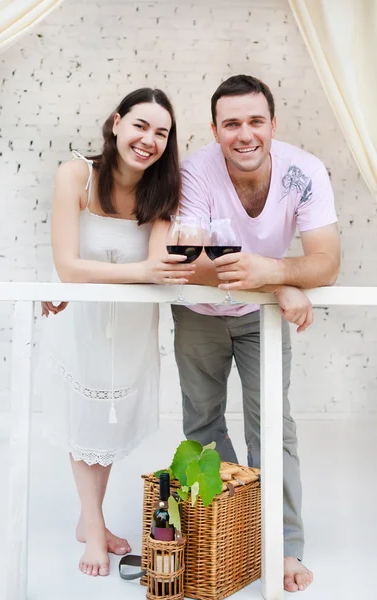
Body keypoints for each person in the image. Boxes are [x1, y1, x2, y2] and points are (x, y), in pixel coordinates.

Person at [171, 74, 340, 593]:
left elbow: (327, 262)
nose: (245, 134)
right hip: (199, 310)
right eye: (231, 124)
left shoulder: (305, 171)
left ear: (273, 124)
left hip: (260, 313)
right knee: (202, 424)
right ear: (215, 129)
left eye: (255, 121)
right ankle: (234, 529)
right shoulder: (194, 170)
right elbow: (191, 261)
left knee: (272, 424)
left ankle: (284, 543)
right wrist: (280, 278)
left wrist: (276, 279)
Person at [38, 88, 196, 577]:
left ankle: (92, 523)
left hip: (130, 329)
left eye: (161, 133)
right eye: (141, 126)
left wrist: (144, 271)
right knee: (84, 420)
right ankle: (93, 525)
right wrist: (141, 272)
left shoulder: (163, 192)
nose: (149, 140)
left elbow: (160, 265)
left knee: (105, 427)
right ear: (116, 123)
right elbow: (67, 267)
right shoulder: (76, 175)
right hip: (81, 320)